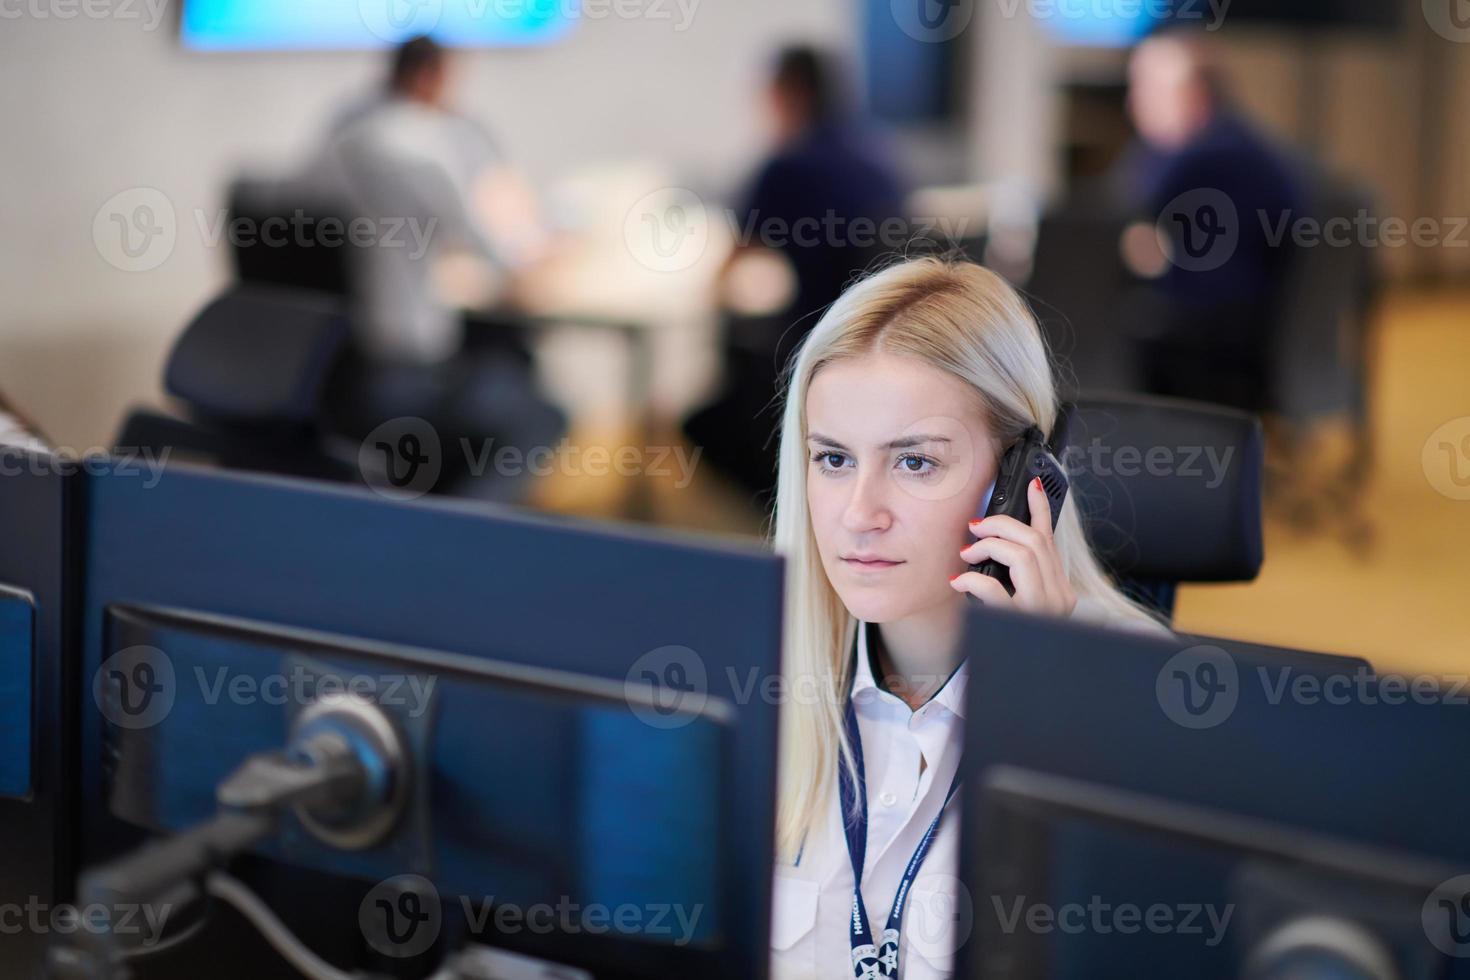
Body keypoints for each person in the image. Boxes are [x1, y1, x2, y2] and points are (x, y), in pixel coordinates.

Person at [768, 257, 1171, 979]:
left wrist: (1045, 704)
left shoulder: (1137, 696)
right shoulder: (757, 674)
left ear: (1022, 479)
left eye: (915, 463)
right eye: (833, 459)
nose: (860, 515)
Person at [312, 36, 564, 499]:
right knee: (541, 414)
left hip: (329, 370)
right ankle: (464, 532)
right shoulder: (421, 148)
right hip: (405, 374)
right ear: (431, 78)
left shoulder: (333, 144)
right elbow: (492, 250)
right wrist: (541, 255)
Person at [685, 45, 909, 504]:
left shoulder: (787, 167)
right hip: (883, 356)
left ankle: (777, 523)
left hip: (807, 360)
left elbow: (733, 264)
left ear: (789, 95)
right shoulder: (882, 163)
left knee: (701, 424)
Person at [1116, 28, 1305, 414]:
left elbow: (1135, 246)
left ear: (1195, 94)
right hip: (1247, 332)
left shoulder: (1206, 160)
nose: (1134, 103)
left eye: (1149, 89)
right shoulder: (1245, 144)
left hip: (1210, 345)